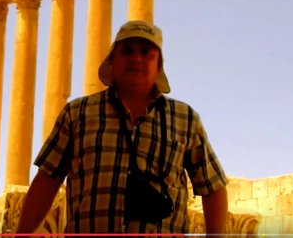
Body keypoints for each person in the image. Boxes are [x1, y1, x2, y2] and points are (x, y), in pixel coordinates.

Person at [16, 20, 228, 234]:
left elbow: (213, 188)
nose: (136, 58)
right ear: (112, 61)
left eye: (146, 52)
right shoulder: (77, 114)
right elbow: (46, 181)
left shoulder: (186, 119)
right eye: (127, 51)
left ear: (158, 66)